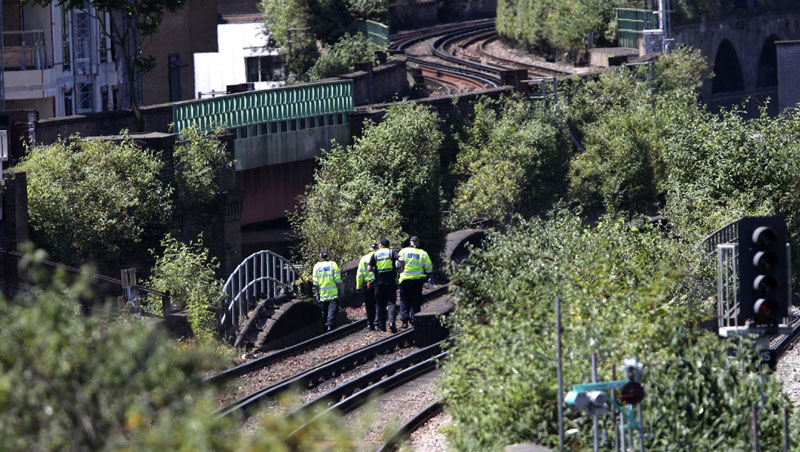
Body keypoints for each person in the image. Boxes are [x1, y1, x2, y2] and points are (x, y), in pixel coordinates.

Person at [397, 235, 433, 328]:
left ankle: (404, 321)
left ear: (410, 242)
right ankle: (414, 319)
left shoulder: (403, 251)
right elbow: (429, 267)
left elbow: (397, 265)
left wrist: (397, 275)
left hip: (405, 279)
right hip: (417, 280)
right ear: (418, 243)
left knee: (404, 300)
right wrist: (430, 278)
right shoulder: (423, 253)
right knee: (415, 300)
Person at [368, 238, 400, 333]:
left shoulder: (375, 254)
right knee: (391, 303)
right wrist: (401, 268)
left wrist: (376, 271)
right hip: (390, 281)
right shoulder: (391, 252)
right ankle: (391, 323)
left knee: (380, 304)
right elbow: (401, 259)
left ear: (381, 245)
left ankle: (382, 326)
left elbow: (369, 268)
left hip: (379, 282)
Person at [312, 249, 342, 332]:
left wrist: (317, 293)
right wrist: (340, 290)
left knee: (324, 310)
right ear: (327, 255)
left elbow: (315, 283)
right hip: (333, 293)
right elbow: (338, 280)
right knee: (332, 309)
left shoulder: (316, 267)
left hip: (322, 294)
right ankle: (330, 324)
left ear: (320, 256)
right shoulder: (333, 264)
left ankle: (325, 327)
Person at [356, 242, 378, 330]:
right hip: (377, 283)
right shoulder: (379, 257)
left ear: (369, 248)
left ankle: (370, 323)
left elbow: (359, 274)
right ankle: (377, 321)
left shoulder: (363, 259)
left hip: (367, 285)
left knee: (369, 305)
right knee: (378, 303)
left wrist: (358, 287)